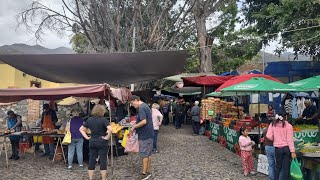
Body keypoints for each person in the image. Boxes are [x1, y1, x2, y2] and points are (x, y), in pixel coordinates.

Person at [79, 104, 112, 180]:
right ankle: (103, 178)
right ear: (102, 111)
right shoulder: (104, 119)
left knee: (92, 159)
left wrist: (87, 137)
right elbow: (110, 129)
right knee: (103, 160)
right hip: (102, 141)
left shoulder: (89, 119)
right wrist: (107, 137)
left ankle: (90, 178)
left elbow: (81, 129)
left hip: (92, 140)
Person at [129, 95, 154, 180]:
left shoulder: (142, 108)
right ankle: (148, 171)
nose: (132, 105)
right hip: (149, 133)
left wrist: (134, 126)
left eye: (132, 103)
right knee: (148, 154)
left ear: (136, 100)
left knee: (144, 154)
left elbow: (144, 121)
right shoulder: (145, 106)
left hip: (145, 134)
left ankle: (144, 173)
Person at [267, 113, 296, 180]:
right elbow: (290, 140)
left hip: (277, 148)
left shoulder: (272, 124)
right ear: (285, 117)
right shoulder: (289, 126)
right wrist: (293, 151)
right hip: (286, 148)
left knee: (278, 167)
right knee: (286, 168)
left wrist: (275, 139)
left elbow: (268, 136)